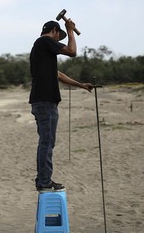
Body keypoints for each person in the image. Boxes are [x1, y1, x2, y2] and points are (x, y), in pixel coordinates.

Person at [29, 20, 93, 191]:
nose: (58, 42)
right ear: (54, 31)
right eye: (59, 37)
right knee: (47, 143)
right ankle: (44, 181)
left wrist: (81, 84)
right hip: (45, 102)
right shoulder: (44, 41)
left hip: (42, 102)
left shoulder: (41, 50)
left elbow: (58, 74)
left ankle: (43, 179)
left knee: (46, 142)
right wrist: (70, 30)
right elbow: (72, 51)